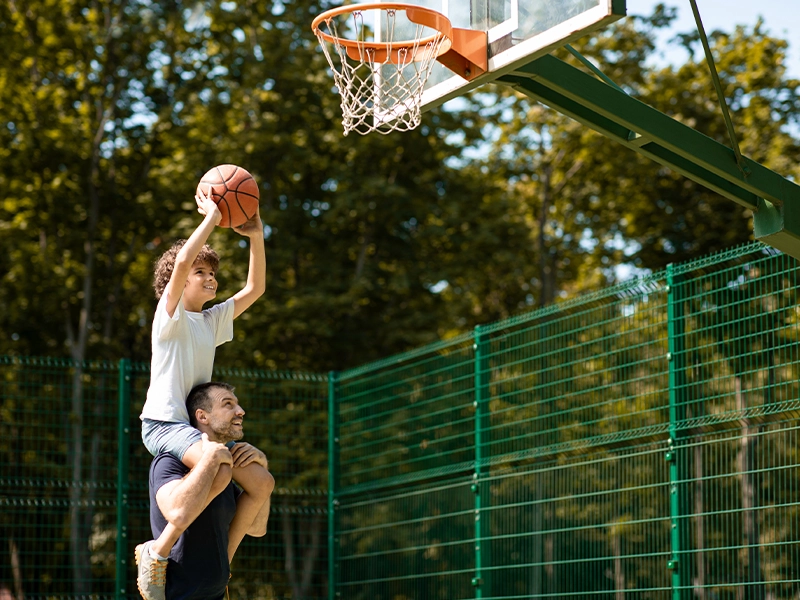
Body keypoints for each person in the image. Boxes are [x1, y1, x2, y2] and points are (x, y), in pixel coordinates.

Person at [136, 187, 273, 600]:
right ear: (177, 284)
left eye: (213, 273)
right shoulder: (170, 317)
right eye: (202, 273)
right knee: (216, 457)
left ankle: (224, 568)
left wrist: (256, 235)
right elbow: (179, 261)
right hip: (163, 426)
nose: (211, 278)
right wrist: (213, 216)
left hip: (195, 432)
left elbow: (256, 288)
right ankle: (156, 553)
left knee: (258, 479)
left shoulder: (210, 322)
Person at [140, 382, 274, 600]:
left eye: (237, 405)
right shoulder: (168, 462)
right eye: (228, 404)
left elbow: (257, 529)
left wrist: (262, 468)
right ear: (202, 416)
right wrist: (210, 461)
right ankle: (153, 553)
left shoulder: (230, 474)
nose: (240, 411)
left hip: (216, 593)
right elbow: (178, 513)